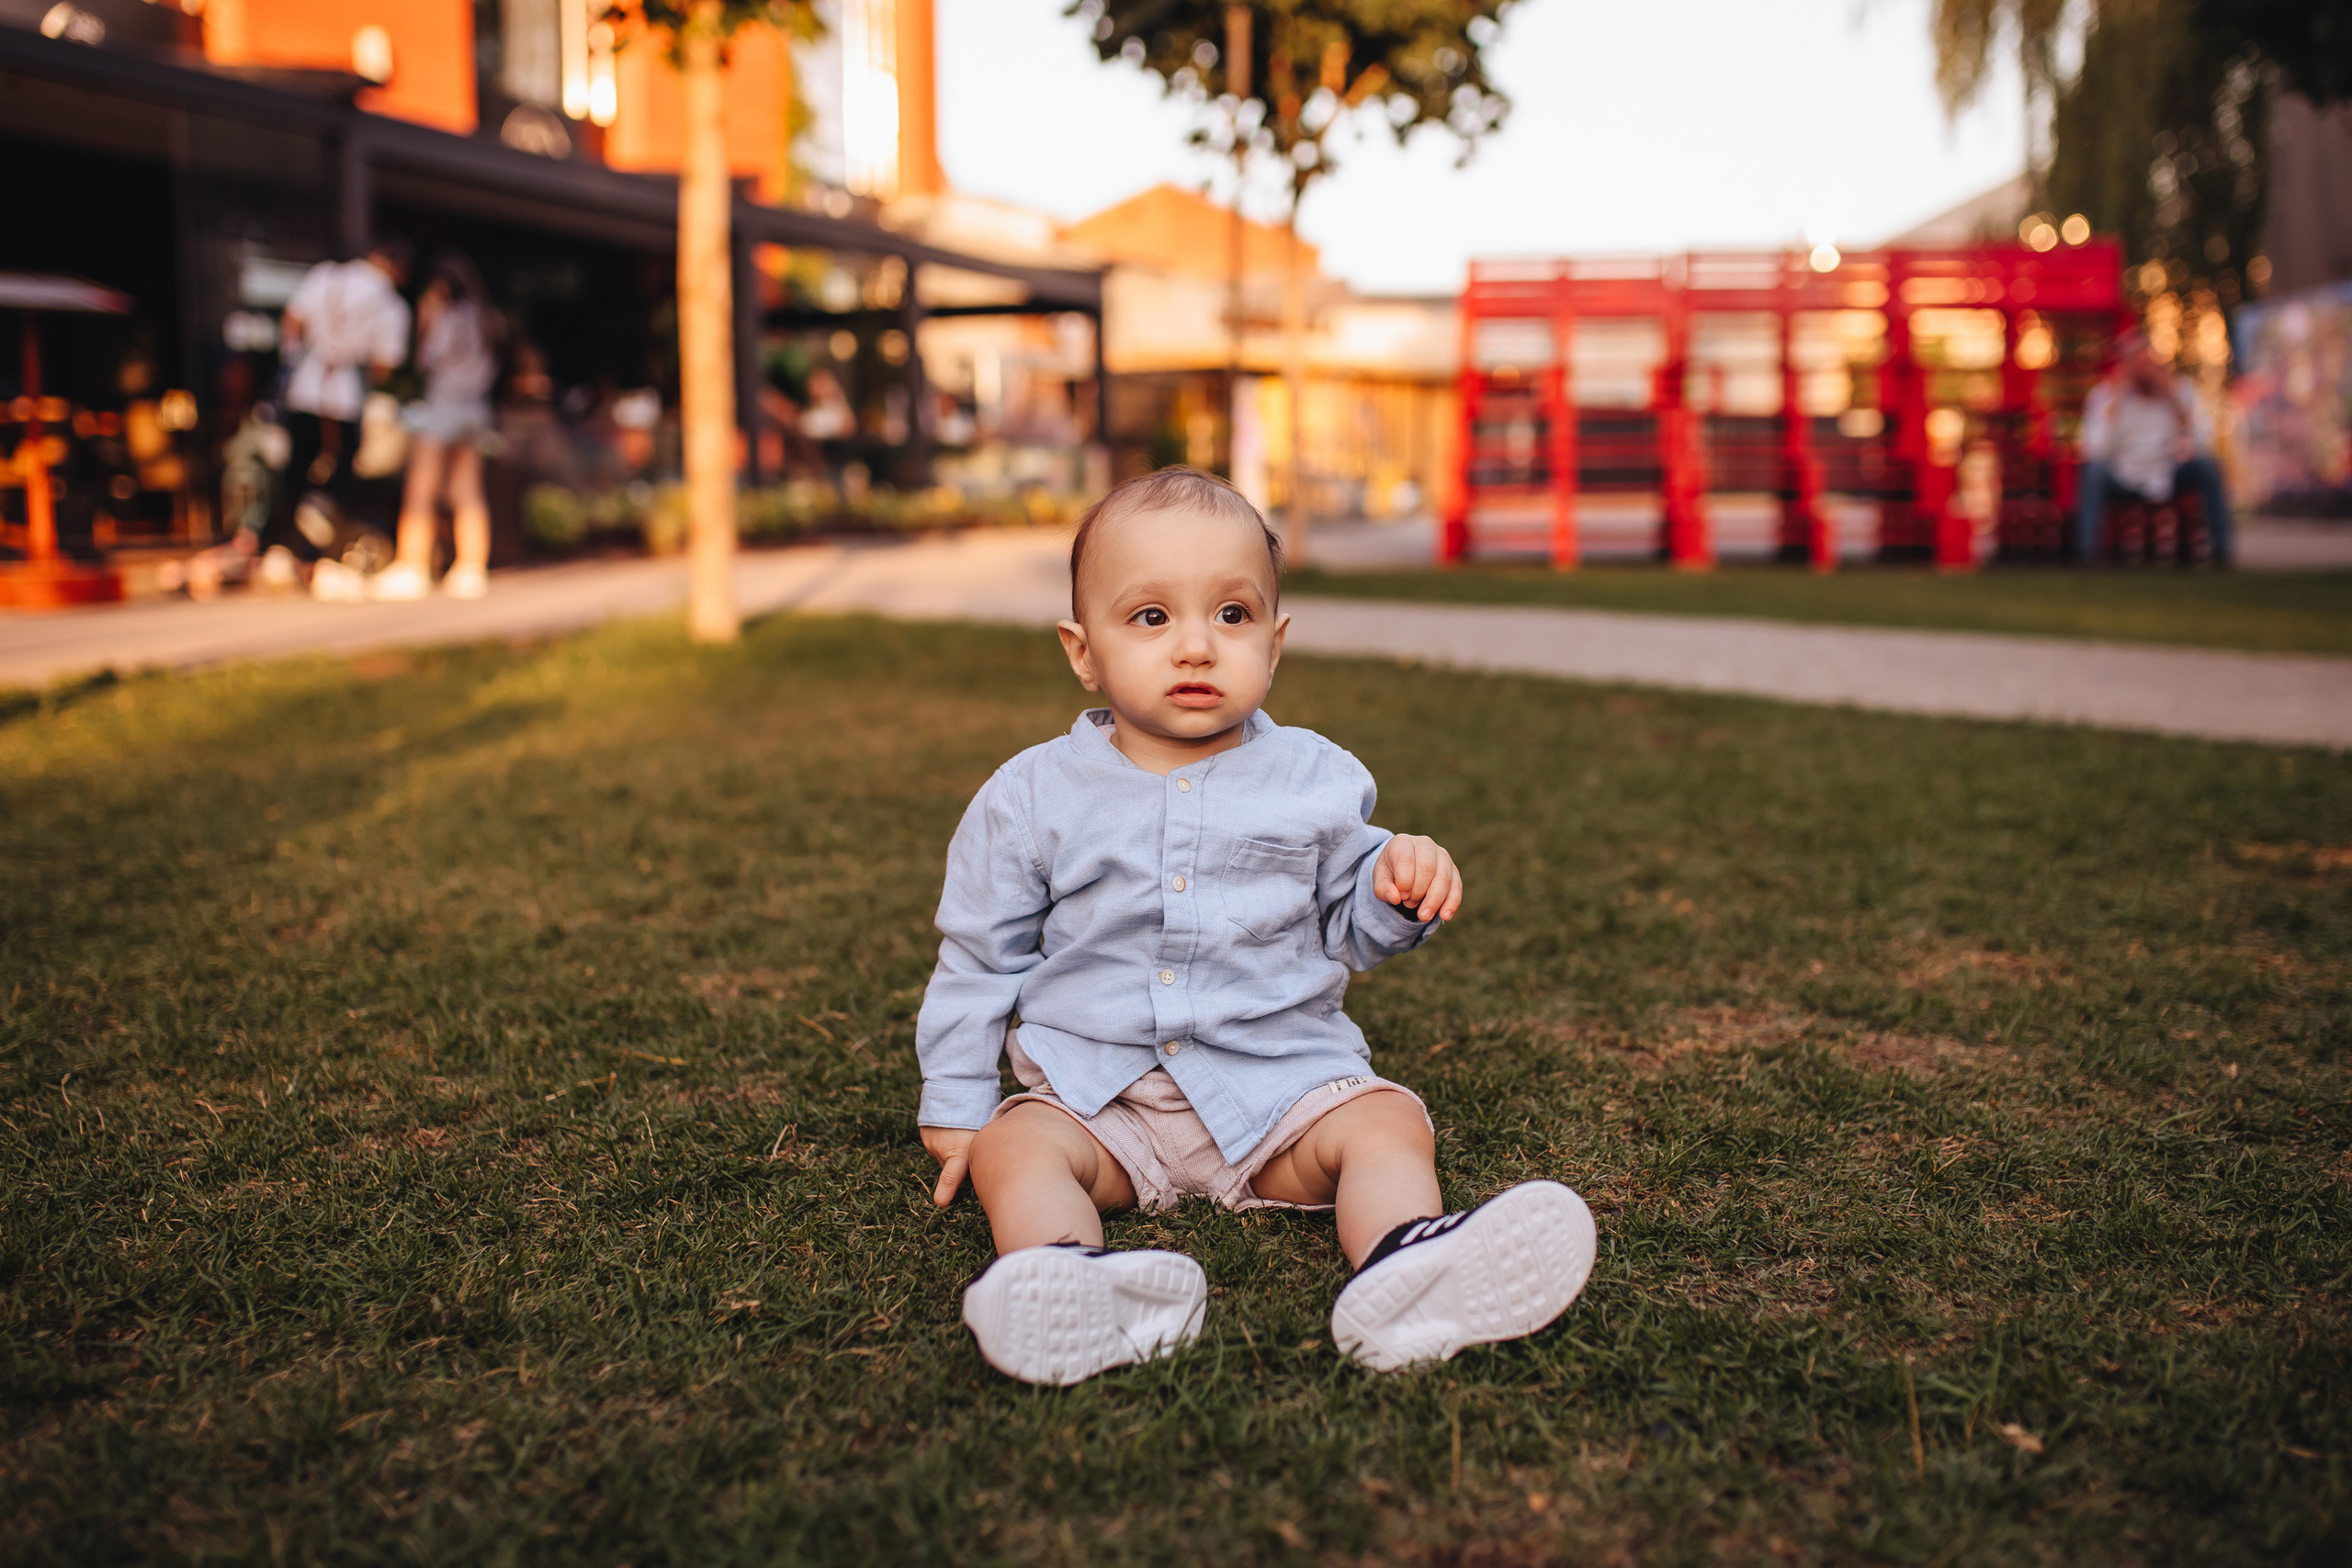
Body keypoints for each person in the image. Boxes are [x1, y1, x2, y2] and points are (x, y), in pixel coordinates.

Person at [914, 467, 1597, 1387]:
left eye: (1231, 616)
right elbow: (980, 958)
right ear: (1083, 651)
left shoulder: (1317, 780)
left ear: (1273, 645)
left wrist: (1392, 891)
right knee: (1016, 1144)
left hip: (1279, 1095)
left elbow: (1351, 927)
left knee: (1387, 1120)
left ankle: (1407, 1260)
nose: (1196, 646)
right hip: (1100, 1103)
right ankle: (1063, 1276)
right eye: (1151, 617)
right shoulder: (1030, 796)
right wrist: (955, 1110)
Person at [374, 250, 503, 601]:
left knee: (421, 492)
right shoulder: (484, 318)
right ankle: (471, 568)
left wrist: (425, 317)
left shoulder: (443, 313)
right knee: (468, 493)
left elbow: (424, 358)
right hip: (475, 411)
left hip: (442, 407)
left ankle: (412, 567)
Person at [273, 237, 413, 560]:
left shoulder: (327, 275)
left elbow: (292, 322)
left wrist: (300, 356)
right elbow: (384, 366)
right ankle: (333, 548)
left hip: (307, 385)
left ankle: (288, 546)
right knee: (343, 472)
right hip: (346, 391)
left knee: (297, 467)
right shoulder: (391, 304)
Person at [2077, 331, 2234, 565]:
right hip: (2123, 475)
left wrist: (2173, 401)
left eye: (2148, 363)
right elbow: (2095, 450)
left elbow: (2204, 443)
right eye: (2137, 363)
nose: (2144, 370)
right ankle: (2087, 555)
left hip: (2166, 473)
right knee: (2094, 471)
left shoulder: (2181, 391)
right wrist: (2116, 402)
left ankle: (2222, 553)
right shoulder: (2104, 396)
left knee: (2207, 467)